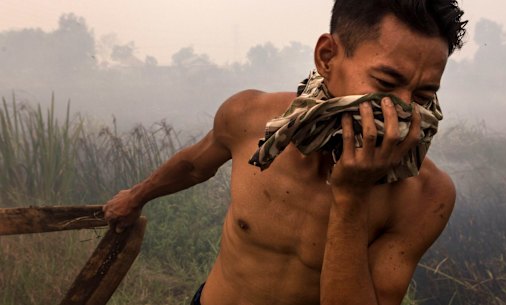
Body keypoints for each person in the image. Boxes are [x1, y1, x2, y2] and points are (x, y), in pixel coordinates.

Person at [103, 1, 467, 304]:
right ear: (327, 57)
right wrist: (136, 197)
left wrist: (352, 195)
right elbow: (195, 165)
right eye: (386, 83)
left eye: (422, 96)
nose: (400, 113)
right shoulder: (250, 117)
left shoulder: (425, 196)